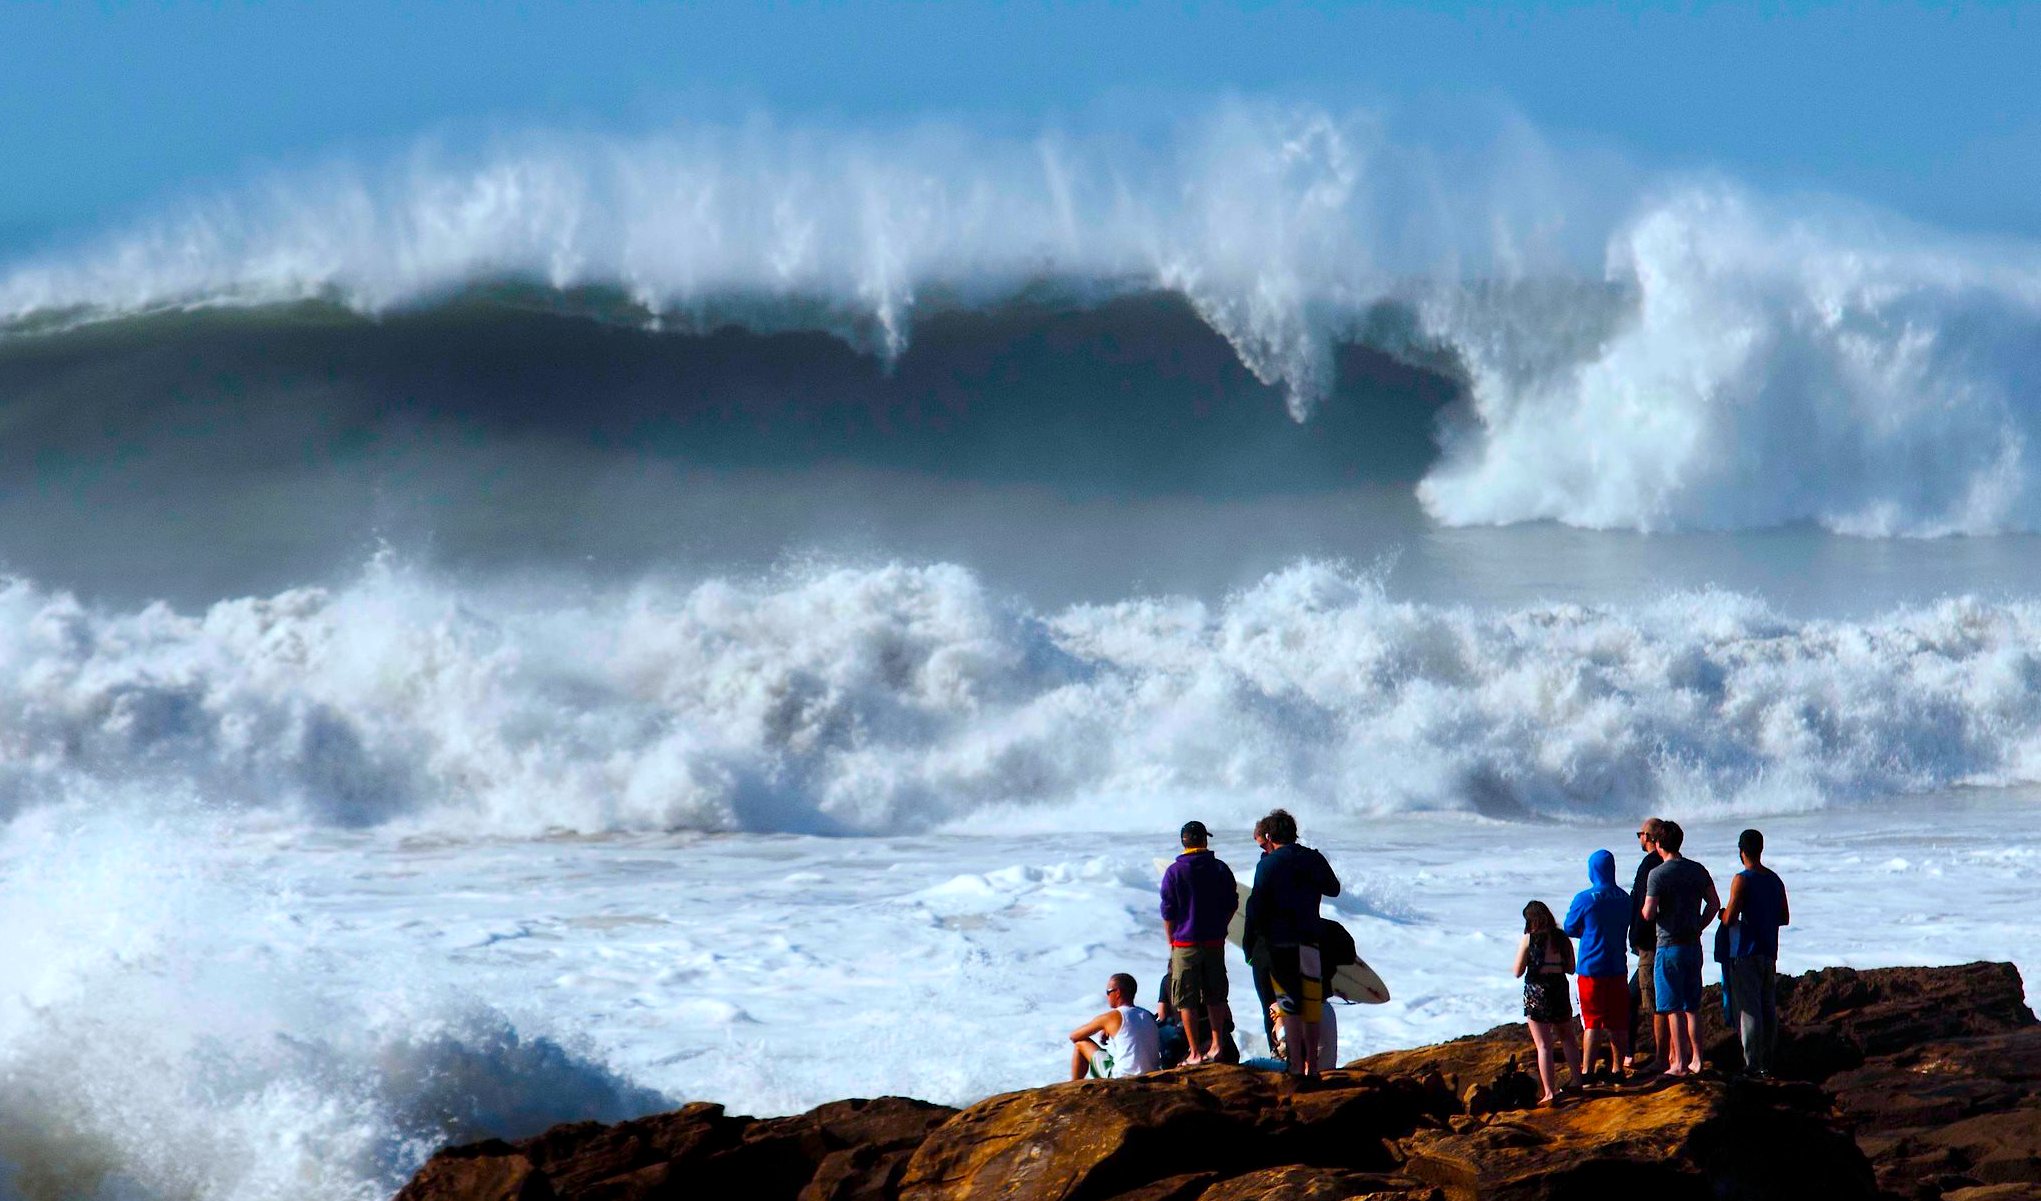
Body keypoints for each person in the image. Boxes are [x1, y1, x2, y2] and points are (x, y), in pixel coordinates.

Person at [1242, 809, 1341, 1077]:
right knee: (1311, 1003)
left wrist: (1250, 944)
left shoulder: (1269, 864)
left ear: (1271, 835)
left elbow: (1256, 907)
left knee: (1289, 1005)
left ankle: (1296, 1064)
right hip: (1310, 939)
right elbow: (1334, 889)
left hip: (1280, 945)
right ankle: (1313, 1066)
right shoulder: (1313, 858)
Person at [1641, 821, 1720, 1078]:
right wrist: (1699, 925)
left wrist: (1645, 912)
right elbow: (1714, 904)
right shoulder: (1697, 870)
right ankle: (1698, 1059)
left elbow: (1649, 912)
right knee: (1692, 1006)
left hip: (1668, 945)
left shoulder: (1658, 874)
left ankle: (1679, 1063)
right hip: (1692, 944)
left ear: (1660, 844)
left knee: (1672, 1007)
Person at [1159, 820, 1239, 1065]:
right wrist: (1221, 927)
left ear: (1184, 843)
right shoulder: (1219, 868)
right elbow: (1232, 903)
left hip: (1184, 944)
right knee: (1215, 996)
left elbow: (1168, 912)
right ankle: (1217, 1046)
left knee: (1186, 1000)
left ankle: (1194, 1052)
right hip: (1214, 942)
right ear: (1204, 840)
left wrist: (1171, 941)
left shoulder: (1174, 871)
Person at [1720, 828, 1790, 1078]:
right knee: (1767, 1006)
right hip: (1769, 949)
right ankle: (1768, 1060)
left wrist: (1722, 914)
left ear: (1741, 852)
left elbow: (1730, 917)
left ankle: (1752, 1064)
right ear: (1761, 849)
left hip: (1746, 951)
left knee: (1749, 1010)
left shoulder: (1742, 879)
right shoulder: (1774, 879)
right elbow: (1784, 917)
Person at [1562, 849, 1631, 1080]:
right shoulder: (1625, 898)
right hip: (1618, 966)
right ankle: (1617, 1069)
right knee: (1618, 1022)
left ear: (1592, 870)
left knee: (1592, 1022)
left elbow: (1570, 927)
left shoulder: (1584, 899)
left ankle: (1587, 1072)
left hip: (1591, 968)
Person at [1513, 900, 1582, 1105]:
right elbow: (1571, 968)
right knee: (1568, 1038)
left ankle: (1550, 1093)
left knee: (1544, 1045)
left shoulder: (1529, 940)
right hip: (1558, 989)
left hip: (1537, 993)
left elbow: (1518, 972)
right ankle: (1578, 1082)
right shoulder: (1562, 938)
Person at [1627, 817, 1667, 1071]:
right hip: (1666, 942)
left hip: (1650, 946)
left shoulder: (1650, 866)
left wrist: (1637, 939)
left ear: (1650, 838)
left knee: (1654, 1003)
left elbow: (1644, 908)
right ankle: (1665, 1055)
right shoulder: (1668, 863)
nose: (1639, 838)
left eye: (1641, 834)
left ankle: (1660, 1058)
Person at [1068, 973, 1162, 1080]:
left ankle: (1074, 1085)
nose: (1107, 996)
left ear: (1117, 993)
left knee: (1080, 1043)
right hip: (1152, 1074)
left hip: (1122, 1076)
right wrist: (1106, 1028)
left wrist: (1104, 1025)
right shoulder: (1148, 1015)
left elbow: (1074, 1036)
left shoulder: (1112, 1017)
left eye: (1108, 992)